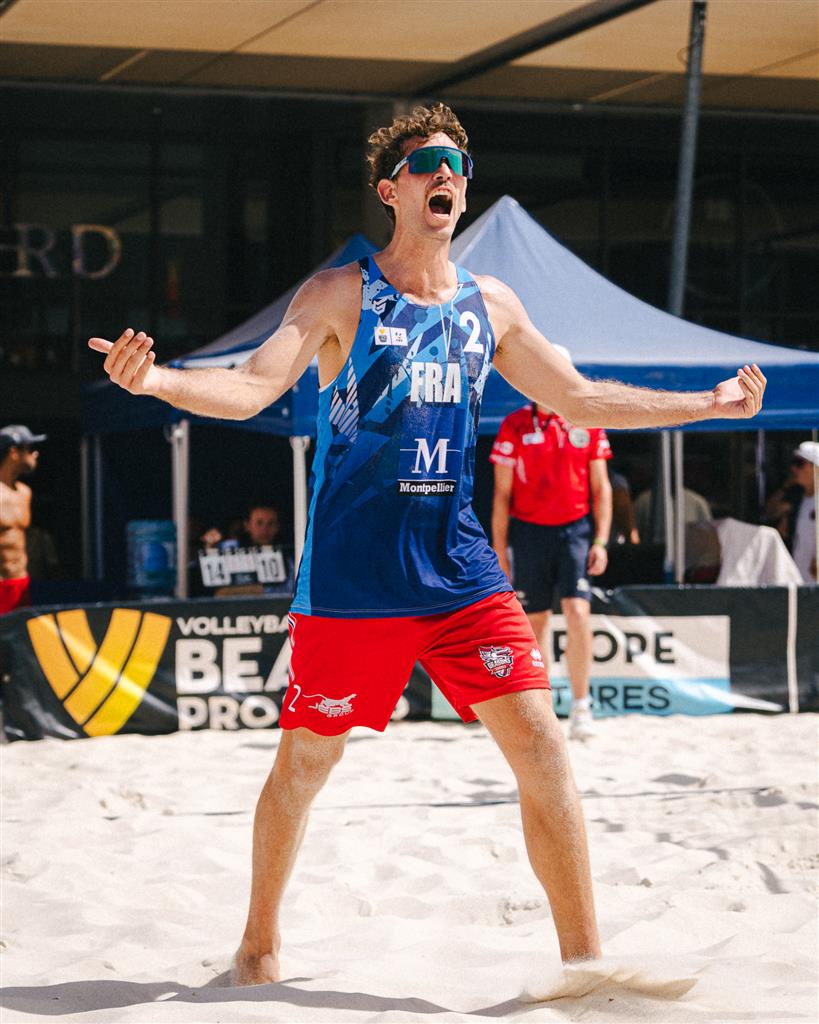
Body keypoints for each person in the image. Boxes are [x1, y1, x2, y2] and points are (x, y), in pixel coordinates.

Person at [88, 103, 767, 985]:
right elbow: (252, 388)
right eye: (426, 163)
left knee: (542, 747)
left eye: (457, 163)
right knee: (306, 764)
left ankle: (583, 965)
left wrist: (706, 405)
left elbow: (578, 398)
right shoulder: (339, 293)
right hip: (353, 578)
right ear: (390, 191)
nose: (446, 173)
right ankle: (256, 946)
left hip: (459, 572)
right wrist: (157, 382)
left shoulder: (492, 304)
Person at [490, 346, 612, 741]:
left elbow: (602, 488)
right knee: (536, 621)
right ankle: (544, 711)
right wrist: (499, 550)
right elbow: (501, 496)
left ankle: (581, 705)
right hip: (528, 533)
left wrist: (601, 540)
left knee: (578, 612)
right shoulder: (514, 425)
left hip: (574, 531)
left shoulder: (586, 421)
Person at [0, 425, 47, 614]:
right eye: (29, 448)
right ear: (13, 452)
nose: (35, 454)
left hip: (21, 585)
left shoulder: (25, 493)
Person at [765, 441, 818, 583]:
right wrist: (786, 485)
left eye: (800, 464)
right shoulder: (796, 499)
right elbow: (770, 512)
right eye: (794, 463)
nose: (794, 469)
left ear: (815, 467)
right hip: (798, 579)